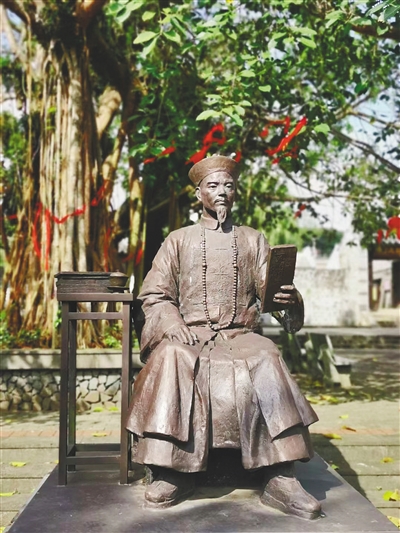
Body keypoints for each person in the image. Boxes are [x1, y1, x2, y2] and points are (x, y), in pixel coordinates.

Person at [126, 155, 321, 519]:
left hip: (240, 334)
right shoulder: (178, 240)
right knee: (171, 356)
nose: (222, 192)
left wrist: (288, 298)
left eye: (228, 186)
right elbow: (154, 295)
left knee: (266, 356)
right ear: (198, 193)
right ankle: (173, 471)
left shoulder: (252, 239)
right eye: (213, 186)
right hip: (189, 335)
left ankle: (281, 476)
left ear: (236, 193)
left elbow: (271, 292)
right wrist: (171, 323)